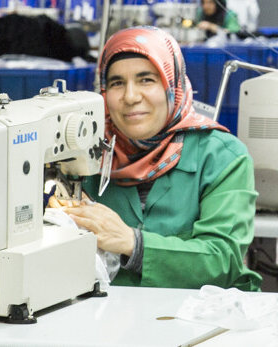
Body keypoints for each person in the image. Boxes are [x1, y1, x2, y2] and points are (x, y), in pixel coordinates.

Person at [63, 26, 261, 289]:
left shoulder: (221, 157)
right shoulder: (87, 157)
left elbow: (221, 260)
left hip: (205, 317)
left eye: (147, 80)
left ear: (173, 86)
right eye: (117, 83)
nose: (131, 97)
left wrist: (132, 244)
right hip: (114, 317)